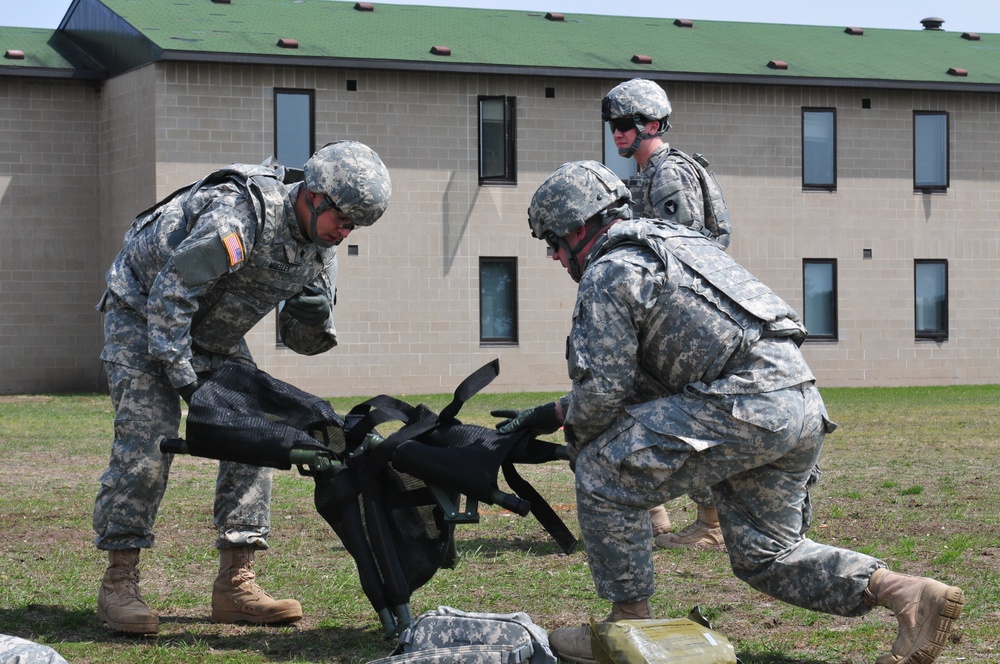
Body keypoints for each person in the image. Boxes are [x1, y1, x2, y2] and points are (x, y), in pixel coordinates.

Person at [500, 160, 964, 664]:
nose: (552, 254)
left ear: (577, 226)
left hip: (742, 405)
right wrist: (552, 411)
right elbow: (660, 364)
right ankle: (908, 594)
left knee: (600, 469)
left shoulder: (611, 271)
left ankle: (627, 627)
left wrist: (575, 435)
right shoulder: (679, 244)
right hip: (796, 403)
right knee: (767, 554)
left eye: (552, 241)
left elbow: (603, 394)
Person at [93, 140, 392, 634]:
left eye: (357, 225)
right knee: (148, 442)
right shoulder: (242, 216)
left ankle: (236, 584)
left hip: (215, 333)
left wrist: (314, 322)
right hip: (143, 311)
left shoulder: (322, 248)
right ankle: (119, 584)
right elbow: (171, 292)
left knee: (257, 436)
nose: (346, 231)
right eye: (343, 218)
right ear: (313, 195)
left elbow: (302, 341)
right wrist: (189, 385)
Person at [602, 77, 734, 550]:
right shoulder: (644, 174)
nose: (616, 133)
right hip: (661, 312)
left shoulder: (669, 175)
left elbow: (682, 250)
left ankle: (711, 522)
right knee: (628, 398)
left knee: (690, 412)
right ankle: (652, 513)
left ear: (652, 124)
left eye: (624, 124)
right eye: (612, 125)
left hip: (684, 317)